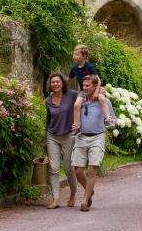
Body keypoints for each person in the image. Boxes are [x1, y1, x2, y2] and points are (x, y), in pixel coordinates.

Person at [71, 75, 116, 212]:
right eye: (83, 86)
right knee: (78, 170)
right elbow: (75, 110)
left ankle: (85, 200)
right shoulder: (81, 100)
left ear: (95, 87)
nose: (84, 88)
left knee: (92, 169)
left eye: (87, 86)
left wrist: (110, 120)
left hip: (97, 137)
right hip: (81, 137)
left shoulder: (104, 101)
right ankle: (89, 191)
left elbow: (113, 120)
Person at [44, 73, 78, 209]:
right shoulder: (48, 100)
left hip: (69, 136)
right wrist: (45, 139)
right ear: (50, 85)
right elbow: (48, 120)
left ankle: (73, 193)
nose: (56, 84)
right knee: (53, 169)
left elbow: (85, 97)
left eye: (58, 82)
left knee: (69, 168)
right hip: (52, 136)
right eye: (53, 82)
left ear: (62, 83)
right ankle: (56, 199)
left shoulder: (72, 95)